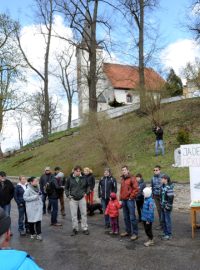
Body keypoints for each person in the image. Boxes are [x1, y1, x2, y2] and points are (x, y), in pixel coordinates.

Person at [65, 166, 90, 236]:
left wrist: (86, 193)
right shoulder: (69, 178)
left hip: (82, 198)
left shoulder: (84, 178)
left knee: (84, 214)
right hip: (73, 199)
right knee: (74, 215)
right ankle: (75, 229)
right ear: (74, 171)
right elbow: (66, 188)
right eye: (77, 171)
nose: (78, 172)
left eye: (79, 171)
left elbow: (88, 186)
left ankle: (85, 228)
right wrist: (68, 195)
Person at [120, 166, 139, 241]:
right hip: (124, 200)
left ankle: (135, 233)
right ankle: (128, 231)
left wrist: (131, 197)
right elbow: (121, 190)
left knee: (132, 217)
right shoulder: (122, 179)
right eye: (122, 170)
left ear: (128, 170)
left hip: (130, 200)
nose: (123, 171)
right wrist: (120, 199)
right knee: (125, 217)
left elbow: (136, 188)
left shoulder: (132, 178)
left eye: (125, 170)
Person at [160, 174, 174, 240]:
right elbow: (161, 196)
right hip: (162, 206)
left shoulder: (169, 187)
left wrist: (167, 206)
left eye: (162, 178)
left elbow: (171, 198)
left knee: (167, 221)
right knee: (163, 220)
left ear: (165, 179)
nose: (161, 180)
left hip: (167, 207)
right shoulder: (162, 186)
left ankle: (169, 234)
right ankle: (165, 233)